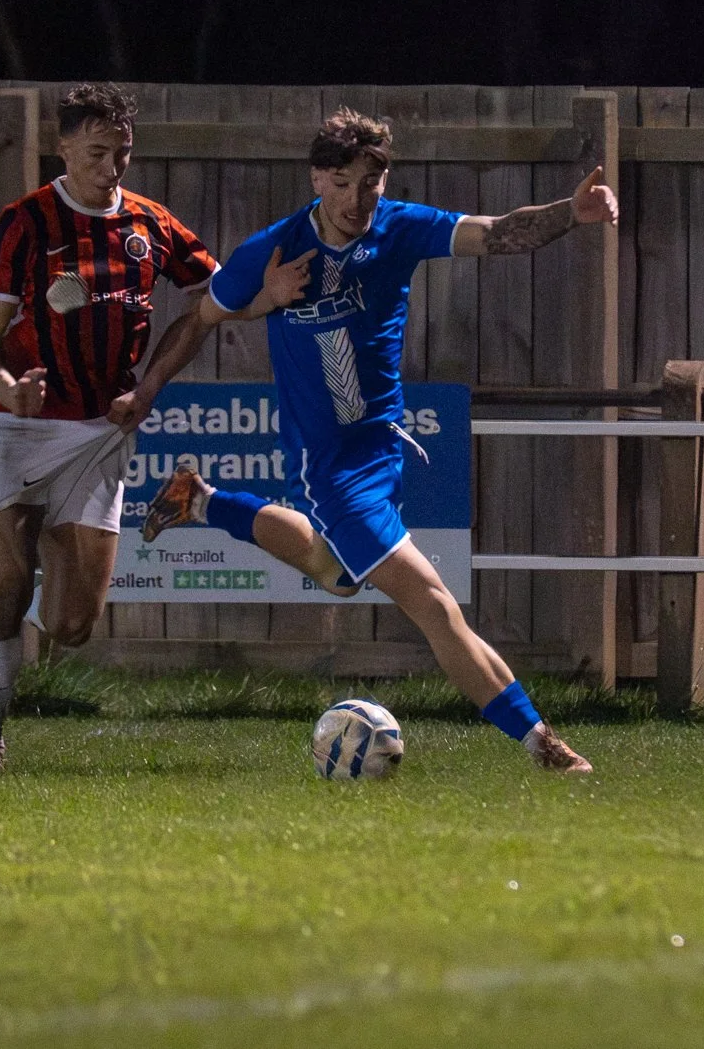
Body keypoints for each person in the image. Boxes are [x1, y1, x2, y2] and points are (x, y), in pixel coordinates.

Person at [139, 108, 613, 773]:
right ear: (316, 179)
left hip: (384, 444)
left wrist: (572, 212)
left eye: (371, 183)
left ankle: (201, 500)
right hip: (332, 468)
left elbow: (498, 233)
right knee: (434, 604)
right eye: (342, 184)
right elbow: (203, 315)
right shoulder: (273, 250)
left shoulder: (399, 228)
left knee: (335, 575)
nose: (357, 200)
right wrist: (163, 376)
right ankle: (543, 744)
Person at [0, 82, 224, 771]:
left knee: (73, 626)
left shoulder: (149, 223)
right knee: (14, 589)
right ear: (64, 147)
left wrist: (150, 385)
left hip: (101, 431)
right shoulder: (23, 223)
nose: (112, 167)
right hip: (19, 427)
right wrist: (8, 388)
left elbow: (211, 299)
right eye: (98, 152)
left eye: (122, 153)